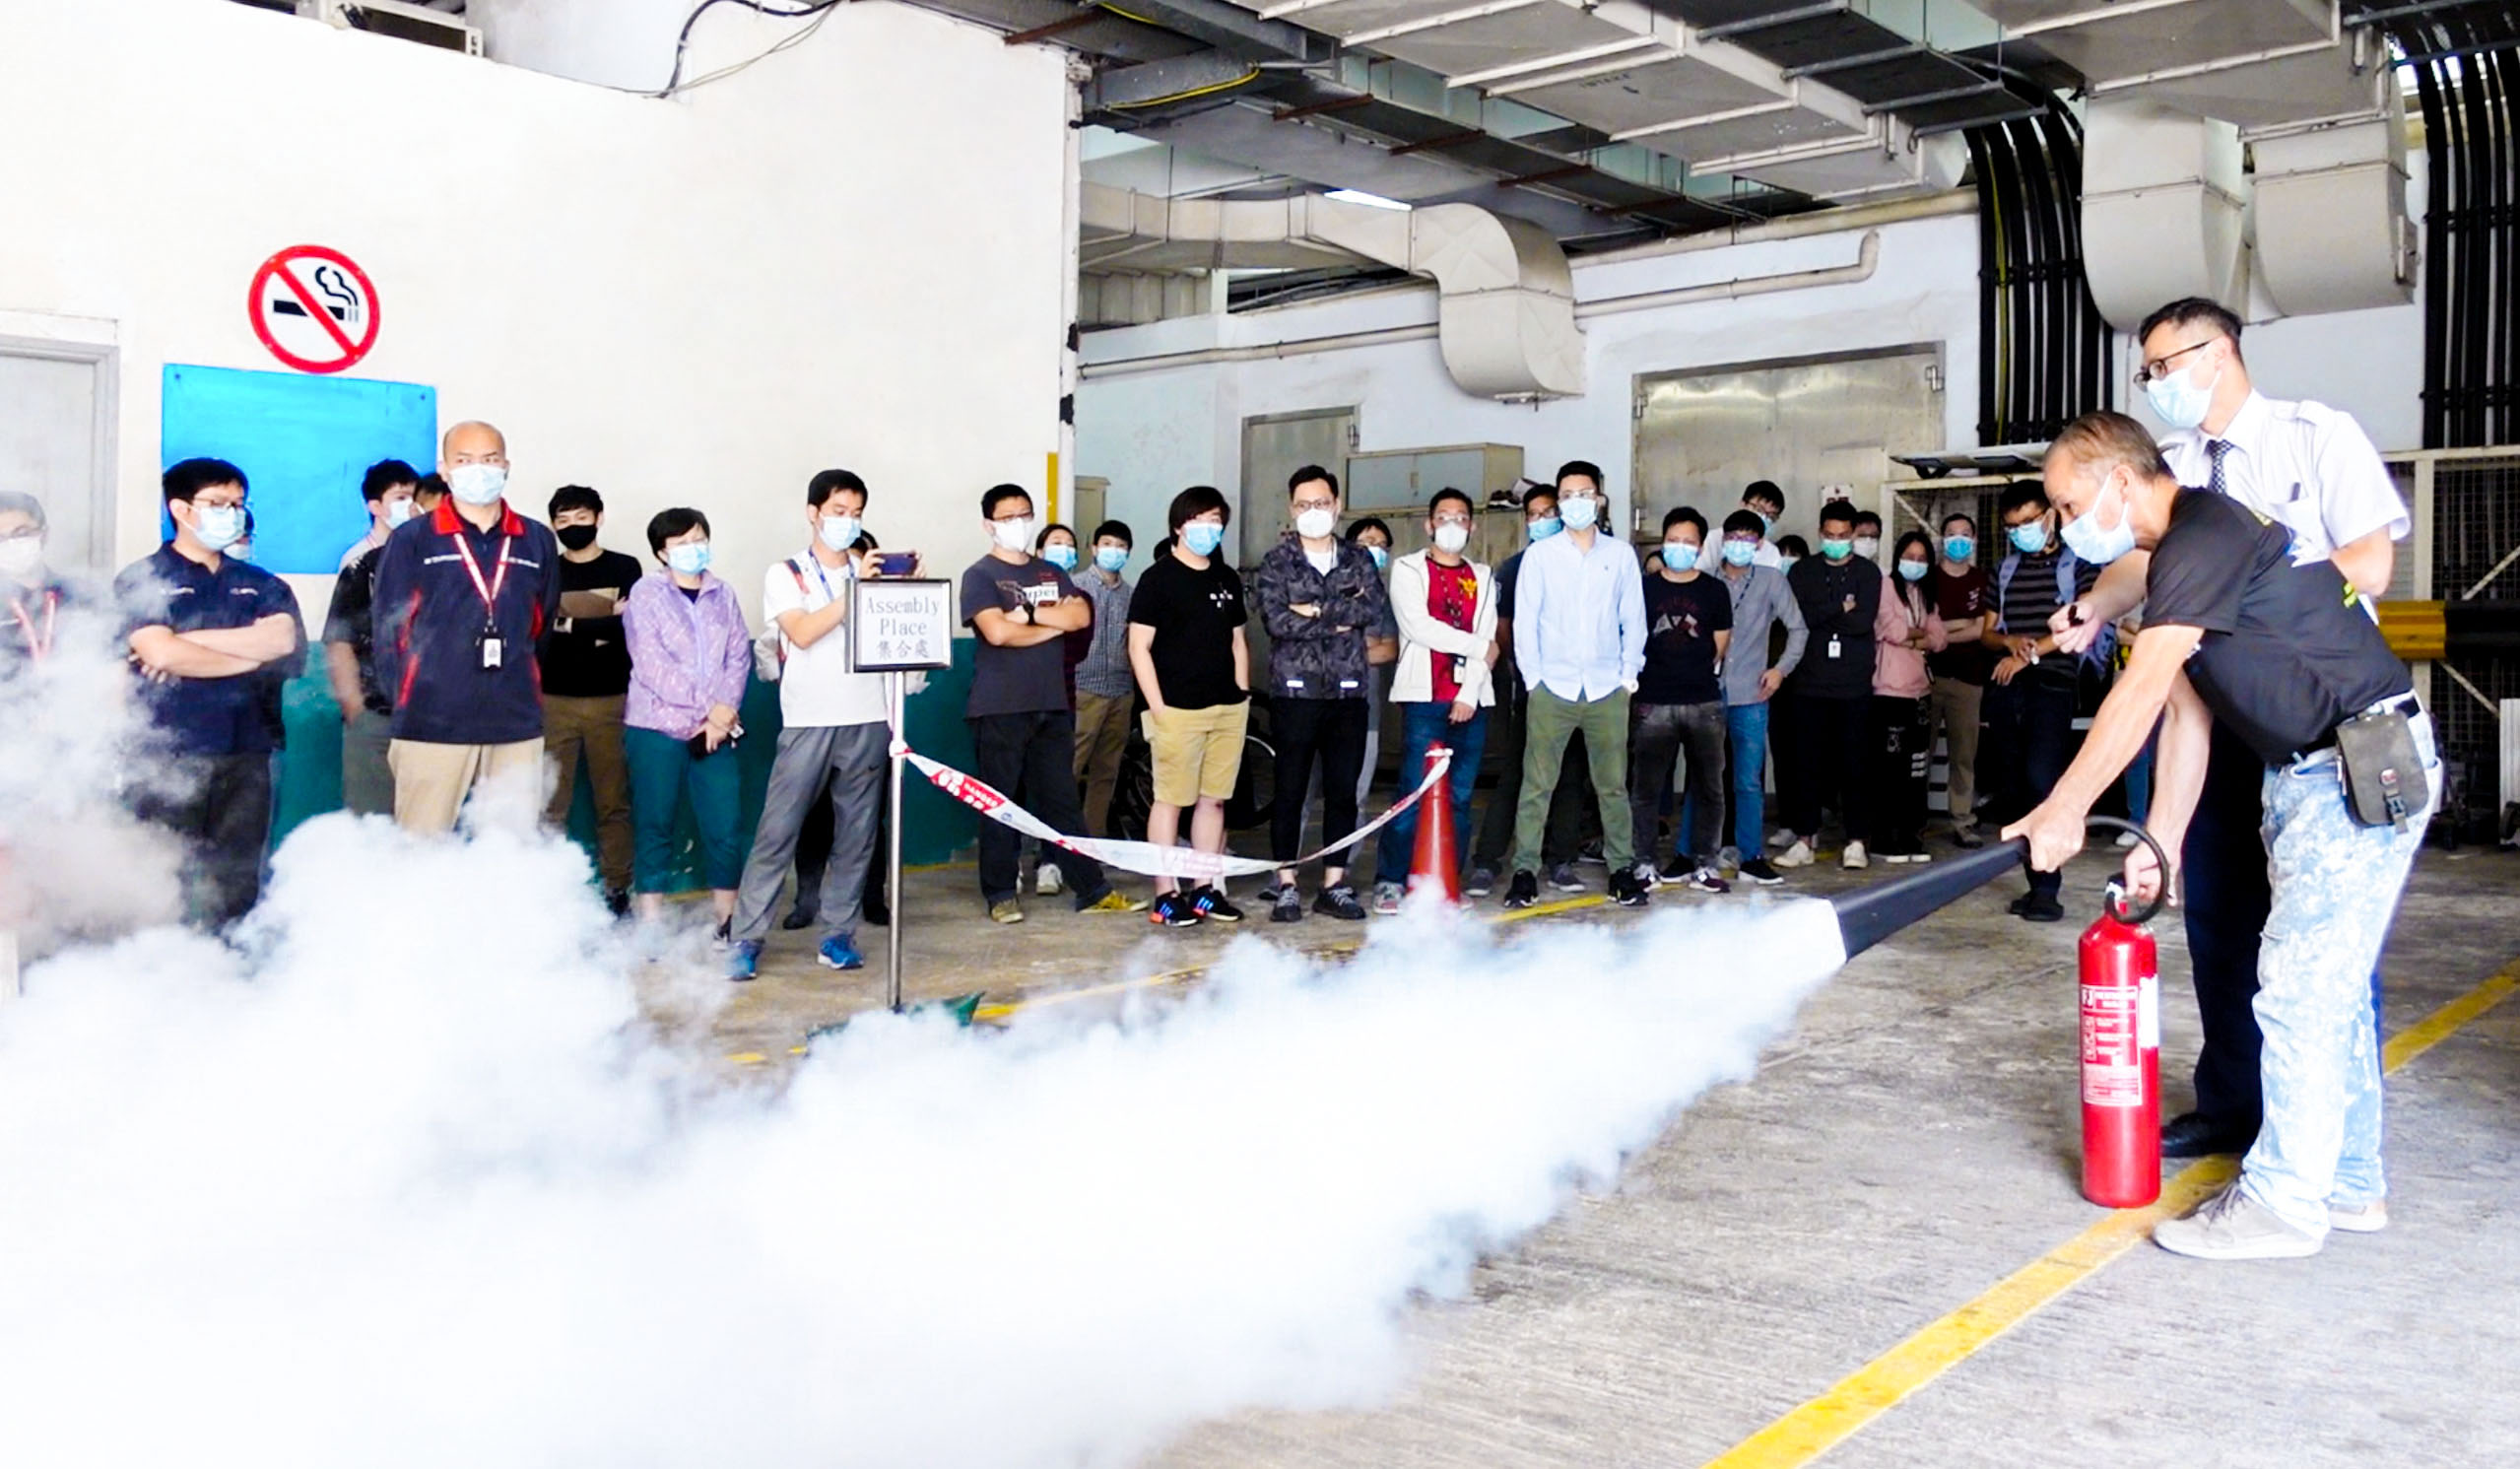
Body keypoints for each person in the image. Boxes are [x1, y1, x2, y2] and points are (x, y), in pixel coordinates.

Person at [2006, 411, 2433, 1260]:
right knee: (2330, 991)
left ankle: (2284, 1204)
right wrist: (2160, 840)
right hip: (2311, 770)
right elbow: (2185, 717)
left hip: (2358, 761)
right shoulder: (2181, 560)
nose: (2063, 525)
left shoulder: (2201, 536)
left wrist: (2065, 805)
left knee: (2298, 991)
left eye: (2068, 505)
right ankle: (2349, 1182)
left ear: (2119, 481)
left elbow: (2139, 691)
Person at [2050, 297, 2410, 1160]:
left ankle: (2320, 1138)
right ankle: (2234, 1102)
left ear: (2219, 353)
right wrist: (2097, 605)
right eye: (2146, 371)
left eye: (2164, 365)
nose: (2154, 382)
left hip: (2315, 716)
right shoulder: (2168, 469)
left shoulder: (2311, 436)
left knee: (2320, 943)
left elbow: (2371, 563)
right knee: (2218, 911)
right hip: (2219, 715)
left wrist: (2262, 601)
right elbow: (2142, 568)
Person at [726, 470, 911, 980]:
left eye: (856, 514)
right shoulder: (785, 573)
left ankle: (838, 935)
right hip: (809, 720)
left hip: (868, 717)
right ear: (813, 513)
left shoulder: (868, 570)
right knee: (777, 832)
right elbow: (803, 632)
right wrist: (858, 590)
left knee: (857, 837)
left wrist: (904, 587)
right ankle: (746, 938)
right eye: (837, 512)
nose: (847, 522)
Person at [114, 459, 305, 929]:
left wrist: (185, 645)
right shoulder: (144, 578)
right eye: (218, 504)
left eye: (238, 504)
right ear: (180, 509)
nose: (232, 514)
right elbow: (159, 651)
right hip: (166, 755)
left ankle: (231, 962)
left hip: (247, 752)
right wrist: (244, 653)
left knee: (236, 883)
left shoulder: (261, 584)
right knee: (160, 881)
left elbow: (280, 641)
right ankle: (160, 964)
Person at [370, 422, 564, 835]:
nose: (479, 469)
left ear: (506, 466)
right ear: (445, 469)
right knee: (422, 848)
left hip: (515, 722)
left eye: (490, 460)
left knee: (511, 849)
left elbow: (540, 626)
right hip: (431, 723)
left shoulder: (537, 540)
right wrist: (414, 700)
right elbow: (390, 633)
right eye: (465, 460)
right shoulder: (413, 539)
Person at [962, 485, 1137, 924]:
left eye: (1024, 515)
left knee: (1063, 802)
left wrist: (1028, 615)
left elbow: (1079, 616)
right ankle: (1001, 893)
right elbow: (997, 633)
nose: (1017, 524)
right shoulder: (980, 575)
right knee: (999, 803)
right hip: (999, 706)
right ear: (988, 525)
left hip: (1052, 704)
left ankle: (1091, 888)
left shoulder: (1050, 573)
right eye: (1007, 517)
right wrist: (1049, 624)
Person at [1503, 460, 1648, 910]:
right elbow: (1526, 622)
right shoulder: (1540, 556)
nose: (1575, 503)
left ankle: (1621, 869)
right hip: (1553, 687)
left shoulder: (1620, 555)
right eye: (1566, 496)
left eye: (1583, 494)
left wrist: (1627, 676)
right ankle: (1524, 871)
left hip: (1607, 688)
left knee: (1612, 786)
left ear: (1599, 499)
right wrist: (1534, 680)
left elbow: (1633, 618)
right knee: (1537, 785)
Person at [1254, 467, 1388, 922]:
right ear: (1292, 509)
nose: (1314, 511)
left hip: (1348, 694)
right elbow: (1276, 621)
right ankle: (1286, 883)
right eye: (1304, 504)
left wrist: (1310, 610)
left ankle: (1334, 884)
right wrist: (1337, 616)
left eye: (1322, 503)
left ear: (1337, 505)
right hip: (1295, 693)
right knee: (1290, 791)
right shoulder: (1277, 562)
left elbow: (1370, 608)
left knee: (1343, 792)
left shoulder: (1358, 558)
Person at [621, 507, 752, 936]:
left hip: (716, 732)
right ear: (662, 552)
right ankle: (651, 922)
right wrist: (709, 710)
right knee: (655, 823)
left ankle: (726, 919)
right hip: (655, 728)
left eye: (698, 540)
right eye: (681, 543)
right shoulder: (646, 593)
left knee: (724, 825)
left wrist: (722, 715)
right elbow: (651, 664)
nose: (693, 549)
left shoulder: (723, 594)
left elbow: (738, 657)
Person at [1126, 486, 1250, 928]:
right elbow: (1138, 647)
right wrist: (1158, 707)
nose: (1208, 528)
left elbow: (1238, 641)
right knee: (1170, 801)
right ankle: (1166, 894)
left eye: (1216, 520)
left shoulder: (1226, 578)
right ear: (1179, 525)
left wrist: (1242, 692)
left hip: (1227, 709)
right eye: (1200, 519)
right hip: (1176, 710)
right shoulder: (1158, 579)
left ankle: (1204, 889)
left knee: (1213, 802)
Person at [1371, 488, 1496, 914]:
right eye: (1443, 517)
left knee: (1459, 797)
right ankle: (1391, 879)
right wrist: (1480, 647)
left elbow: (1489, 635)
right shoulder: (1408, 569)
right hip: (1424, 698)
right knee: (1413, 791)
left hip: (1470, 700)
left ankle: (1445, 882)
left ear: (1471, 526)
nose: (1452, 525)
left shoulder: (1482, 575)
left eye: (1460, 517)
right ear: (1429, 524)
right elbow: (1418, 627)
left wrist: (1468, 693)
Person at [1981, 479, 2100, 919]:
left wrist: (2028, 656)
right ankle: (2034, 883)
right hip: (2007, 686)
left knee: (2040, 779)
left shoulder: (2079, 564)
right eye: (2012, 527)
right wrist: (2009, 642)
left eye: (2029, 522)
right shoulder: (2004, 570)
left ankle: (2049, 888)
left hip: (2051, 683)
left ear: (2050, 515)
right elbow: (1987, 633)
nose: (2021, 532)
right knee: (2013, 787)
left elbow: (2080, 624)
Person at [1467, 486, 1587, 897]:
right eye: (1533, 514)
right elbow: (1505, 628)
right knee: (1517, 775)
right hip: (1532, 690)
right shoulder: (1515, 568)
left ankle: (1561, 860)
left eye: (1548, 511)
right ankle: (1488, 861)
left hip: (1579, 690)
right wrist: (1526, 675)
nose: (1541, 520)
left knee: (1570, 776)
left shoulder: (1585, 561)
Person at [541, 485, 640, 913]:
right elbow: (540, 630)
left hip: (612, 701)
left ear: (599, 518)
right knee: (550, 803)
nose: (573, 527)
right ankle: (549, 892)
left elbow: (629, 628)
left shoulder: (625, 566)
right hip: (553, 702)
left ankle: (617, 890)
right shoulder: (546, 569)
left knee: (613, 802)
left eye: (581, 518)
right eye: (563, 520)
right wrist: (601, 621)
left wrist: (567, 624)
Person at [1627, 507, 1733, 895]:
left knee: (1709, 788)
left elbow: (1720, 644)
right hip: (1652, 700)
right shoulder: (1643, 588)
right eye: (1673, 540)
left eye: (1689, 542)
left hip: (1703, 701)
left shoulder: (1714, 590)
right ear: (1663, 541)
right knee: (1646, 789)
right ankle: (1643, 863)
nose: (1680, 547)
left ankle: (1705, 864)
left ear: (1701, 547)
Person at [1700, 507, 1805, 885]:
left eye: (1748, 539)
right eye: (1733, 538)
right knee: (1703, 777)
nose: (1740, 545)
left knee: (1747, 781)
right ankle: (1695, 853)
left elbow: (1798, 629)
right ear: (1723, 541)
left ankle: (1751, 856)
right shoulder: (1705, 581)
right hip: (1706, 695)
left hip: (1751, 694)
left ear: (1759, 544)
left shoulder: (1771, 580)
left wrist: (1780, 670)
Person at [1775, 500, 1880, 870]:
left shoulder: (1868, 573)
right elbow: (1797, 617)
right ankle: (1805, 838)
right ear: (1820, 533)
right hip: (1809, 683)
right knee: (1806, 763)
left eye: (1843, 535)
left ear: (1852, 535)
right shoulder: (1802, 571)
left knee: (1856, 764)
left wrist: (1824, 613)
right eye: (1830, 535)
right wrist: (1840, 607)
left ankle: (1856, 840)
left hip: (1853, 684)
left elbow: (1863, 622)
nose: (1836, 541)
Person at [1870, 531, 1950, 864]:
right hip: (1889, 691)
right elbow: (1892, 630)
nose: (1914, 564)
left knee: (1917, 767)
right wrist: (1920, 635)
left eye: (1921, 559)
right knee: (1890, 768)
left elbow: (1941, 638)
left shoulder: (1925, 594)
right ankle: (1886, 838)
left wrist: (1915, 639)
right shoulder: (1886, 586)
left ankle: (1912, 834)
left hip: (1920, 692)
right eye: (1909, 557)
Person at [1925, 512, 1995, 847]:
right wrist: (1959, 625)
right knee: (1918, 755)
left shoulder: (1983, 580)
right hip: (1925, 679)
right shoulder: (1928, 578)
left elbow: (1982, 629)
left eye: (1965, 534)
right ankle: (1911, 820)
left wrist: (1938, 635)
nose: (1958, 540)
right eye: (1952, 534)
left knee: (1963, 756)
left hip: (1969, 680)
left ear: (1974, 540)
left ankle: (1962, 821)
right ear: (1941, 539)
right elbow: (1921, 625)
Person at [1072, 518, 1136, 837]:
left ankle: (1093, 837)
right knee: (1070, 767)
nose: (1114, 551)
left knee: (1107, 770)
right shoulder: (1075, 587)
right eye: (1108, 544)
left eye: (1121, 547)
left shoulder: (1132, 595)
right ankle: (1057, 841)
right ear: (1094, 548)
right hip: (1084, 689)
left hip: (1121, 691)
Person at [1344, 514, 1401, 811]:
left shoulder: (1382, 601)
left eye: (1381, 544)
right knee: (1304, 791)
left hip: (1367, 711)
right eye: (1367, 542)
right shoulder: (1328, 590)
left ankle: (1350, 845)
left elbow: (1389, 650)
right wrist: (1365, 647)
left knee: (1357, 795)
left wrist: (1342, 651)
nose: (1374, 549)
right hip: (1321, 706)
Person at [0, 492, 81, 681]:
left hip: (78, 697)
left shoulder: (82, 595)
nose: (11, 543)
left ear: (44, 535)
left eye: (21, 533)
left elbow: (114, 670)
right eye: (0, 538)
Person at [339, 459, 420, 572]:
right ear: (376, 507)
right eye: (401, 498)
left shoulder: (425, 551)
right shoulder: (357, 559)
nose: (412, 504)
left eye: (416, 497)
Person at [1742, 481, 1787, 568]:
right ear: (1743, 504)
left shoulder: (1772, 553)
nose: (1763, 517)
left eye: (1771, 516)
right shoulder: (1715, 540)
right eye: (1759, 510)